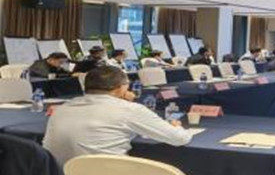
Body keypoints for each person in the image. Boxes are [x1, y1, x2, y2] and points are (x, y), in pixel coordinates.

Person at [43, 66, 192, 166]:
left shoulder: (62, 109)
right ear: (120, 88)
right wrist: (177, 126)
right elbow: (180, 139)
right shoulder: (130, 110)